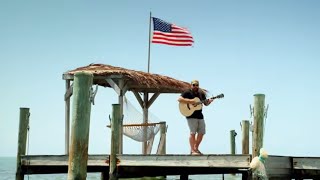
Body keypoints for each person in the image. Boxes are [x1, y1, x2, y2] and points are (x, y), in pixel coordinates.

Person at [178, 80, 214, 155]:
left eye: (196, 85)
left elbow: (205, 103)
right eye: (193, 85)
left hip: (200, 115)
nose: (195, 86)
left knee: (202, 132)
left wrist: (209, 101)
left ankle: (195, 148)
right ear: (191, 85)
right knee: (193, 133)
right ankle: (192, 151)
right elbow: (179, 99)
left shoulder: (201, 93)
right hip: (190, 115)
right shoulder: (187, 92)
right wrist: (191, 101)